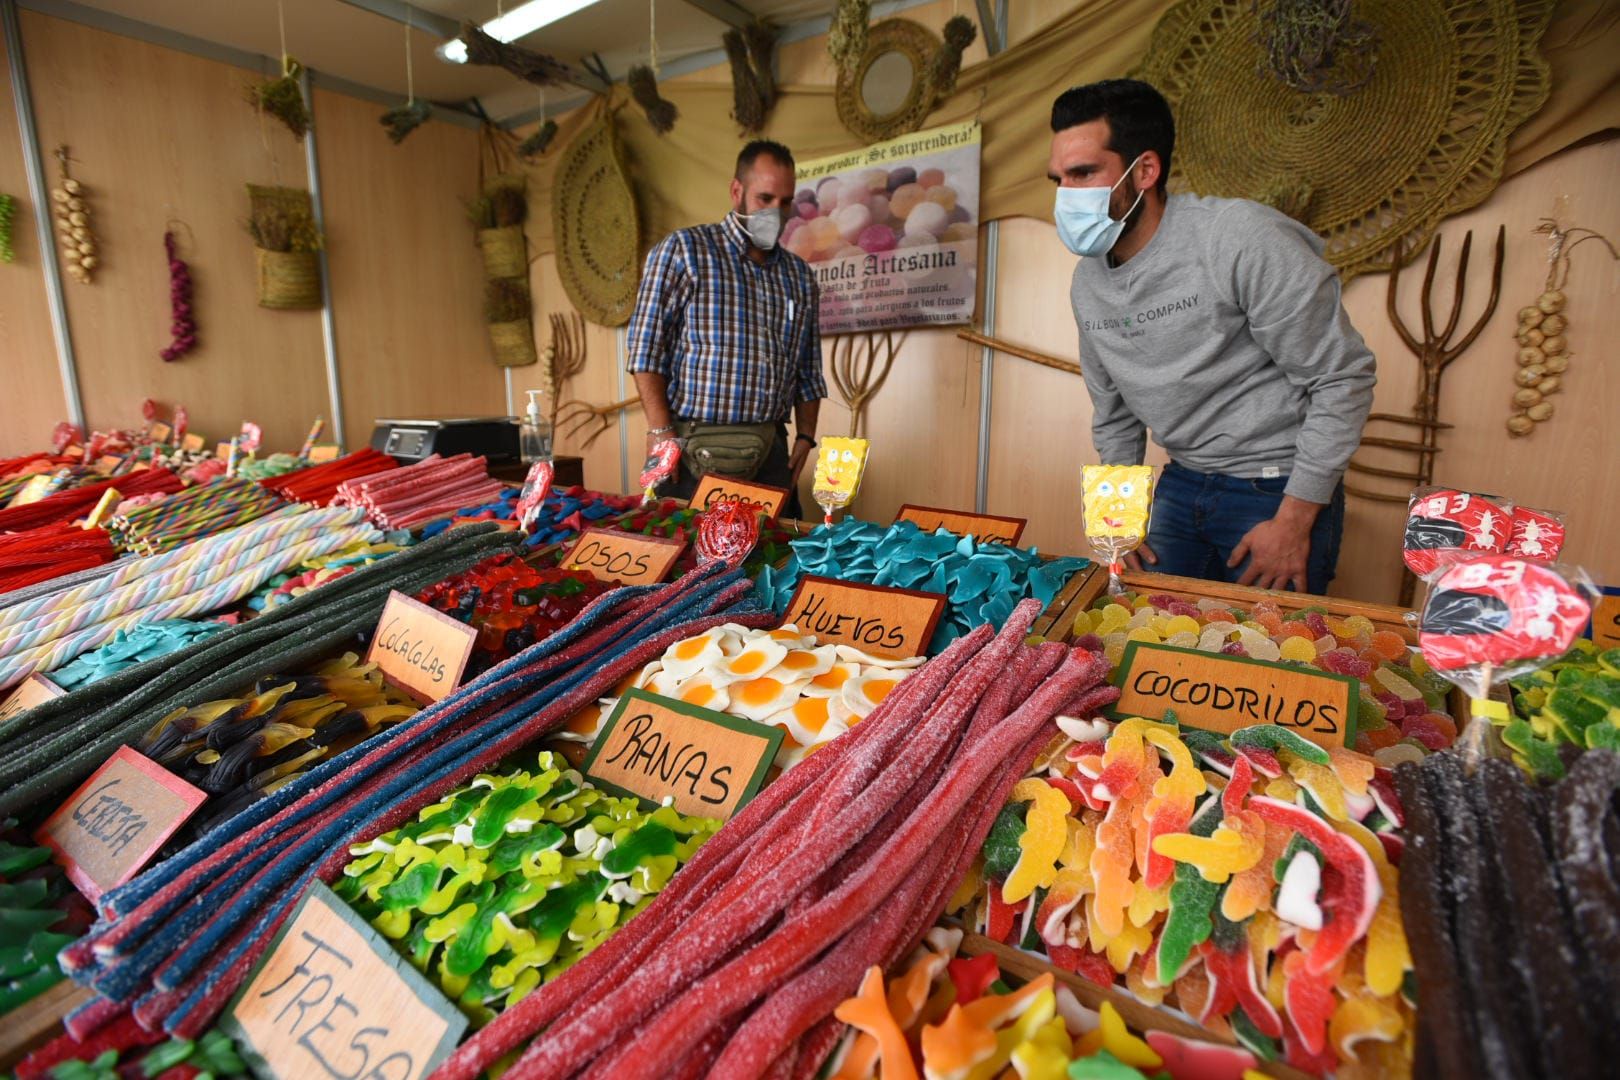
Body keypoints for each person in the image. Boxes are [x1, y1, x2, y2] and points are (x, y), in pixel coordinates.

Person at [1049, 79, 1375, 595]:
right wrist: (1119, 520)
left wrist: (1293, 521)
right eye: (1059, 179)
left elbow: (1341, 378)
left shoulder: (1239, 238)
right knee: (1144, 639)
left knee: (1264, 658)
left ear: (1146, 171)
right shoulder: (1088, 281)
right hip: (1179, 482)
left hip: (1276, 489)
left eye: (1084, 173)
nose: (1067, 196)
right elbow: (1114, 415)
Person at [627, 139, 825, 517]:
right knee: (692, 561)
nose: (775, 212)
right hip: (691, 450)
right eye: (764, 198)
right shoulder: (685, 250)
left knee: (776, 559)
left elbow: (808, 367)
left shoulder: (799, 275)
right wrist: (660, 435)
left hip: (771, 451)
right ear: (737, 192)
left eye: (785, 203)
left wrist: (805, 436)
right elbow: (645, 349)